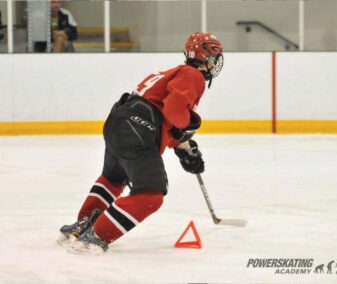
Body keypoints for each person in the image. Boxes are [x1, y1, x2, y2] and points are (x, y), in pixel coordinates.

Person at [58, 32, 224, 253]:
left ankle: (82, 225)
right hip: (137, 128)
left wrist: (183, 146)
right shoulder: (192, 75)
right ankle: (96, 235)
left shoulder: (171, 72)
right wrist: (190, 124)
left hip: (119, 123)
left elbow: (163, 114)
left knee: (113, 178)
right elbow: (175, 113)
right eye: (214, 54)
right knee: (152, 193)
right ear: (205, 55)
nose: (216, 61)